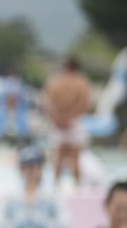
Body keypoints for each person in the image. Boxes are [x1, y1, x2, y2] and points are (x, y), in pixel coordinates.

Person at [42, 57, 91, 187]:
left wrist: (57, 118)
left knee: (58, 157)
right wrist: (69, 118)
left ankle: (56, 186)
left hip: (58, 123)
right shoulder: (81, 82)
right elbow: (84, 104)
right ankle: (77, 187)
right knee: (75, 158)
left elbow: (46, 103)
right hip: (74, 122)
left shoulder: (55, 81)